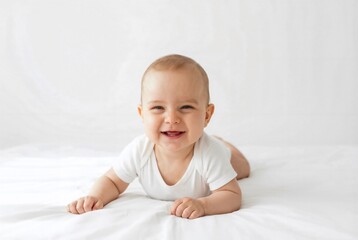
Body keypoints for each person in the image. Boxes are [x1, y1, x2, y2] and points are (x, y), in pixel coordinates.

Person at [67, 54, 250, 219]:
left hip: (224, 156)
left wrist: (203, 204)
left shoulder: (210, 153)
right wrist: (95, 197)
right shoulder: (139, 150)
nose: (171, 119)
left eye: (186, 107)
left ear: (206, 116)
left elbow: (231, 195)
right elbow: (113, 181)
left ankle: (226, 145)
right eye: (158, 108)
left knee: (243, 169)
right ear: (142, 114)